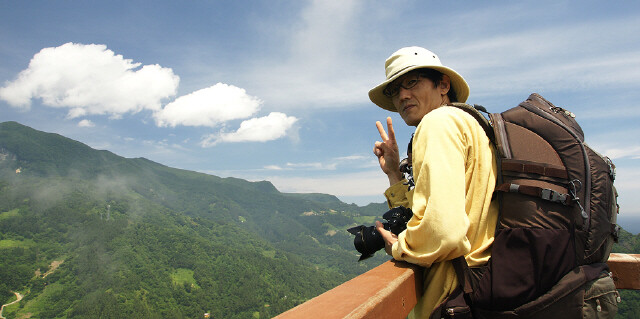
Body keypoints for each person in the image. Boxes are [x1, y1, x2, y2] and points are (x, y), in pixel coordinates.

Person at [369, 46, 498, 317]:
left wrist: (398, 246)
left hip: (457, 300)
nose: (402, 96)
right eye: (395, 90)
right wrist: (394, 172)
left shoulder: (437, 123)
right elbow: (427, 211)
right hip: (490, 289)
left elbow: (444, 233)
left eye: (412, 82)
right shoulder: (473, 124)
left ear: (443, 84)